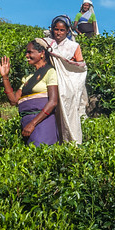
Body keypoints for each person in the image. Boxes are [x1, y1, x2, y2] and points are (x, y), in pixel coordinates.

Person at [0, 38, 60, 147]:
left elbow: (53, 102)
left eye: (30, 52)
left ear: (41, 53)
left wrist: (33, 123)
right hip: (27, 122)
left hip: (42, 122)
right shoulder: (28, 78)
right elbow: (13, 100)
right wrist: (5, 77)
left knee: (42, 152)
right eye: (26, 52)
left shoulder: (50, 72)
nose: (26, 55)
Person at [44, 15, 88, 144]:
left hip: (68, 86)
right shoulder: (48, 44)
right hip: (52, 83)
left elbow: (80, 68)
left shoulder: (73, 46)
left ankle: (71, 142)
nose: (58, 32)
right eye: (56, 29)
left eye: (62, 30)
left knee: (68, 114)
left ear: (68, 31)